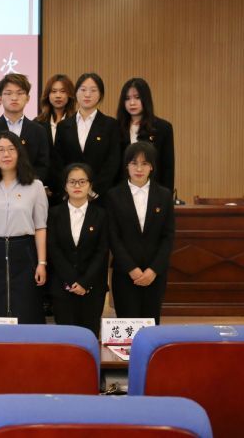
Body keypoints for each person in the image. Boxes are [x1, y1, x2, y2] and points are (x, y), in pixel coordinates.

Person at [0, 132, 48, 323]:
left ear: (19, 153)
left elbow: (40, 227)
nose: (5, 154)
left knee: (26, 308)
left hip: (24, 251)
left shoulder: (35, 186)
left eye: (10, 149)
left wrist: (42, 263)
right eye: (0, 150)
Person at [106, 141, 175, 324]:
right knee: (127, 325)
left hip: (154, 275)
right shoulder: (114, 195)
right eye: (134, 163)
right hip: (125, 273)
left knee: (151, 325)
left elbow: (168, 236)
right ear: (126, 166)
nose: (139, 168)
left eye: (144, 163)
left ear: (152, 166)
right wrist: (132, 269)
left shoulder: (164, 195)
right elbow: (113, 236)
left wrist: (153, 270)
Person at [46, 163, 108, 336]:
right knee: (66, 339)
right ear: (65, 186)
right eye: (72, 182)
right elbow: (53, 249)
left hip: (92, 287)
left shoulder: (101, 215)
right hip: (62, 287)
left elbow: (102, 251)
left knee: (90, 336)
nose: (77, 186)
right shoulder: (54, 214)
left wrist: (85, 282)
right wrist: (72, 280)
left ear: (90, 185)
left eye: (82, 181)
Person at [52, 73, 120, 202]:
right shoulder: (63, 126)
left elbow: (112, 162)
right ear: (75, 93)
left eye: (93, 90)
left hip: (100, 197)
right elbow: (58, 162)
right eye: (83, 90)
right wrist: (68, 189)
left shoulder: (110, 125)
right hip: (69, 196)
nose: (87, 94)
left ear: (100, 95)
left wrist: (94, 191)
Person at [0, 73, 49, 183]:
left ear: (28, 98)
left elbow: (43, 165)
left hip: (29, 186)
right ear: (0, 99)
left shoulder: (38, 130)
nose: (14, 98)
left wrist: (27, 182)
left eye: (20, 93)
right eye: (8, 93)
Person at [116, 78, 175, 193]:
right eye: (127, 98)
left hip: (153, 192)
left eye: (137, 97)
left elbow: (167, 168)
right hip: (121, 193)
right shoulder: (115, 128)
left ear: (146, 99)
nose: (132, 103)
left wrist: (166, 197)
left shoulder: (163, 128)